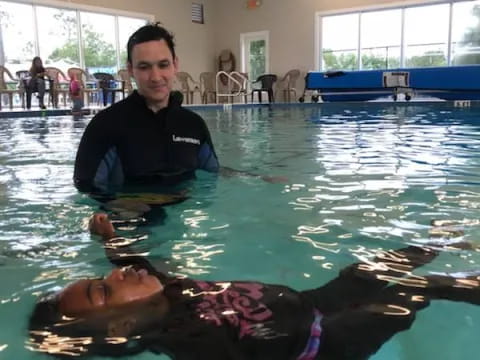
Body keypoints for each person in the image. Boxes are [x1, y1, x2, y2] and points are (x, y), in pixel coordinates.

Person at [29, 213, 480, 359]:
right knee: (413, 292)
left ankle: (445, 237)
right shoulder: (189, 339)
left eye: (100, 279)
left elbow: (130, 260)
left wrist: (109, 238)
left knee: (369, 270)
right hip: (322, 344)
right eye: (103, 292)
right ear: (121, 326)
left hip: (311, 302)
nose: (114, 277)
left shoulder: (164, 290)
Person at [73, 23, 219, 196]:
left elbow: (214, 176)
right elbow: (87, 191)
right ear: (130, 70)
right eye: (144, 67)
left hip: (183, 217)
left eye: (163, 65)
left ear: (175, 64)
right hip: (130, 219)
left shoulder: (193, 125)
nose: (156, 77)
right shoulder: (106, 125)